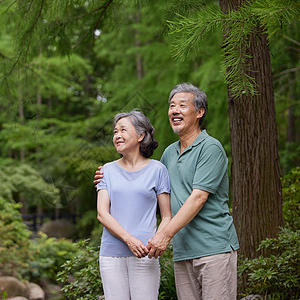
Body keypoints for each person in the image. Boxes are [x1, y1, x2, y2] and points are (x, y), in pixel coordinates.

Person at [94, 83, 239, 300]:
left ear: (199, 112)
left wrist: (164, 235)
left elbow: (198, 197)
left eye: (182, 105)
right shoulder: (169, 155)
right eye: (172, 106)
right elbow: (144, 182)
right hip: (183, 251)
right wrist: (107, 175)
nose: (174, 110)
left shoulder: (210, 148)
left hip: (213, 248)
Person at [96, 110, 172, 300]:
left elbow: (167, 216)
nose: (117, 136)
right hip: (111, 255)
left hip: (145, 254)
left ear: (141, 135)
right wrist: (129, 240)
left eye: (123, 130)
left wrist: (158, 241)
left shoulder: (158, 169)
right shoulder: (106, 170)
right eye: (115, 132)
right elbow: (102, 214)